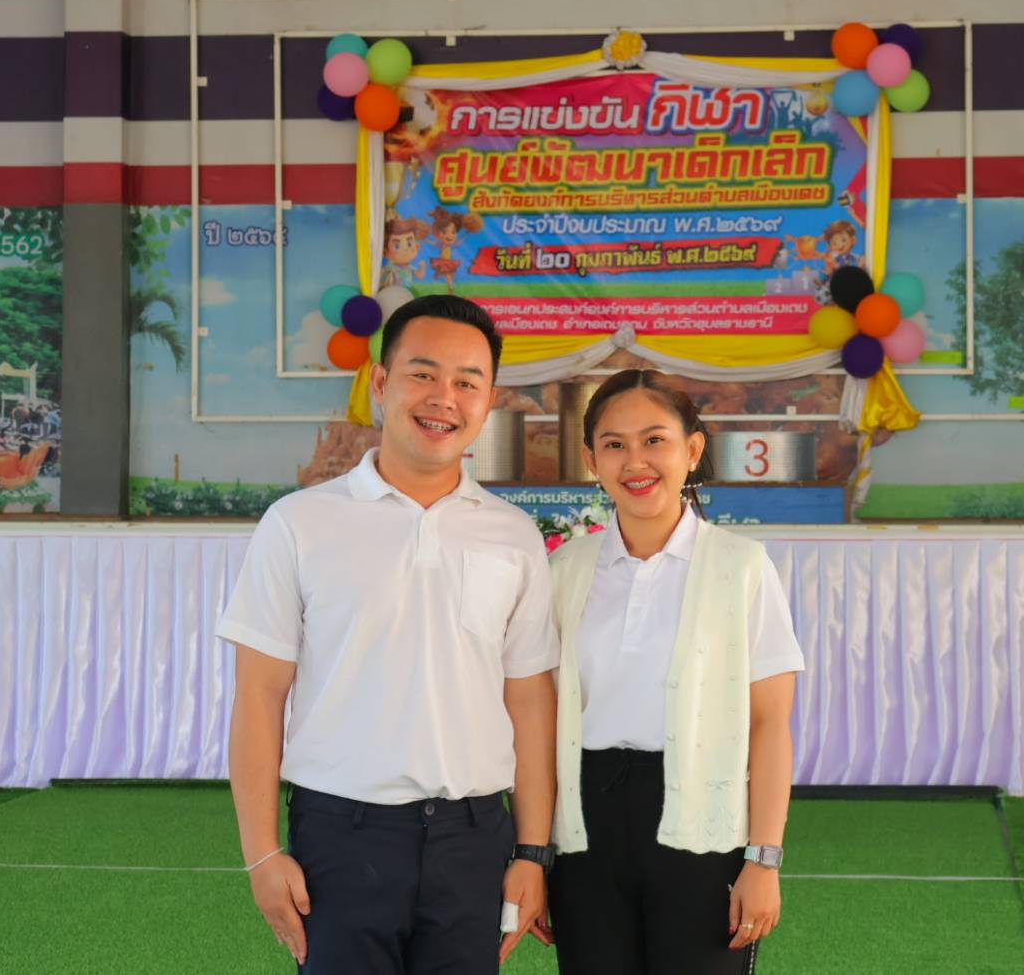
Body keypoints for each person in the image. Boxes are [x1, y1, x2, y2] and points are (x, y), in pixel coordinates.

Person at [218, 294, 559, 974]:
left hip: (472, 840)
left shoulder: (513, 534)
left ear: (489, 400)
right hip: (341, 838)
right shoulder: (299, 524)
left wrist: (531, 852)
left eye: (467, 382)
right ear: (380, 382)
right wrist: (261, 852)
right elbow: (259, 695)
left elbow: (528, 701)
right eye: (422, 373)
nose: (443, 398)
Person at [545, 369, 805, 975]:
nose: (635, 461)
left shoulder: (742, 566)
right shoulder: (564, 570)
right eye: (614, 444)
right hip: (584, 833)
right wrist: (534, 853)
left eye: (654, 440)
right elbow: (538, 719)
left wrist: (763, 859)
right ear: (592, 460)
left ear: (692, 449)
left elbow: (770, 724)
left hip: (703, 831)